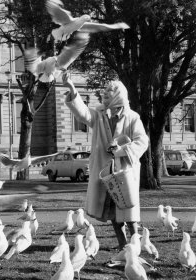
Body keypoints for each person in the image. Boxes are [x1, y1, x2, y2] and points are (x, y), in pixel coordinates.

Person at [62, 72, 148, 259]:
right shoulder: (99, 115)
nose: (104, 97)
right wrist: (71, 87)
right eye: (104, 94)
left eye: (108, 94)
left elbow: (142, 141)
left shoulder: (132, 117)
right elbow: (82, 113)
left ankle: (135, 246)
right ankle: (122, 245)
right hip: (105, 171)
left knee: (129, 212)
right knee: (112, 212)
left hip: (124, 172)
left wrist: (122, 150)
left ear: (118, 96)